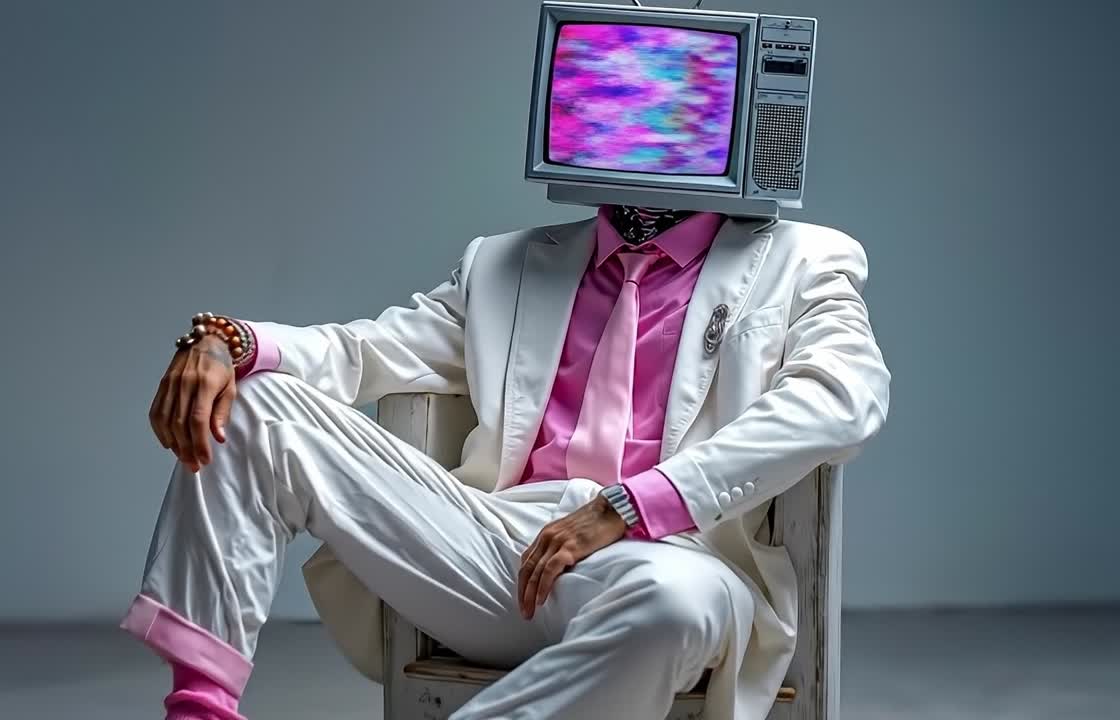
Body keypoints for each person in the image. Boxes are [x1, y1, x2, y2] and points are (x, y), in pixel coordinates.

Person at [123, 204, 891, 720]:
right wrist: (229, 342)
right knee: (255, 402)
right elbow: (368, 350)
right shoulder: (506, 261)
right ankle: (200, 705)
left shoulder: (805, 259)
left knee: (676, 606)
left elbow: (843, 396)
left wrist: (634, 504)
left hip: (667, 556)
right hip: (491, 547)